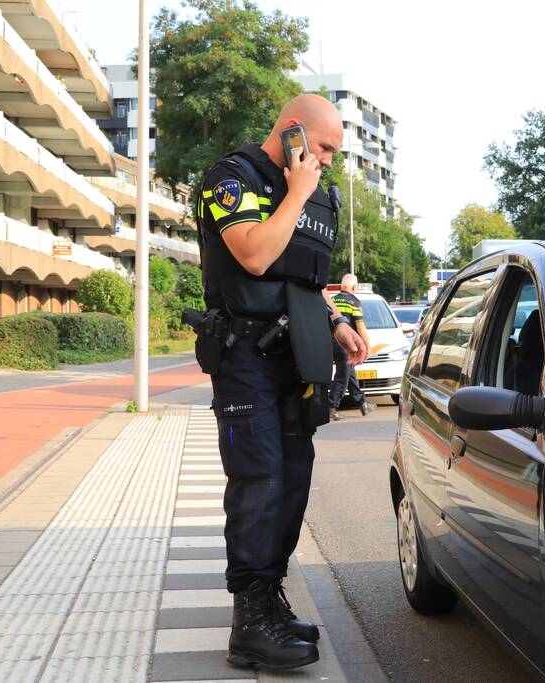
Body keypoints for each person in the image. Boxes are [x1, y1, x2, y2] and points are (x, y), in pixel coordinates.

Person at [192, 94, 367, 671]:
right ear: (293, 133)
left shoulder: (315, 198)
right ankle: (249, 620)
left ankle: (271, 597)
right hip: (245, 356)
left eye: (333, 154)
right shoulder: (231, 178)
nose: (328, 163)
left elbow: (302, 279)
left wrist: (338, 323)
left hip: (297, 355)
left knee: (293, 478)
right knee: (259, 480)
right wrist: (295, 191)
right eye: (323, 148)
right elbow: (257, 258)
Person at [327, 274, 377, 419]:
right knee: (342, 376)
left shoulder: (333, 300)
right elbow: (360, 328)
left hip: (332, 342)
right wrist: (367, 347)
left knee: (350, 373)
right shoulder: (353, 302)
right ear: (355, 287)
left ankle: (362, 403)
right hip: (346, 345)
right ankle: (332, 407)